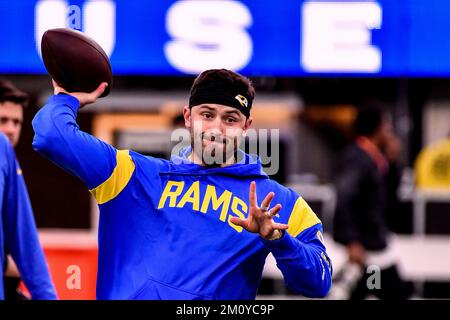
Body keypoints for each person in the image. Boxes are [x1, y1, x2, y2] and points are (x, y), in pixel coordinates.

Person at [32, 69, 332, 300]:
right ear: (188, 117)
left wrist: (279, 241)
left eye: (231, 119)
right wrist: (66, 98)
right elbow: (50, 136)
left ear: (246, 126)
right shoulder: (131, 174)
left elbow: (319, 282)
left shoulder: (275, 202)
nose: (217, 128)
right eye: (207, 114)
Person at [332, 102, 410, 299]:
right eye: (387, 126)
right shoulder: (357, 159)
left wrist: (393, 163)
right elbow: (344, 199)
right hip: (365, 247)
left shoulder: (373, 159)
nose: (390, 132)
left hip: (374, 245)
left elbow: (389, 199)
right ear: (377, 129)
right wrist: (351, 241)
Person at [0, 79, 56, 300]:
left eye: (16, 122)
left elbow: (24, 239)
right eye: (3, 120)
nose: (11, 129)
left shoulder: (6, 156)